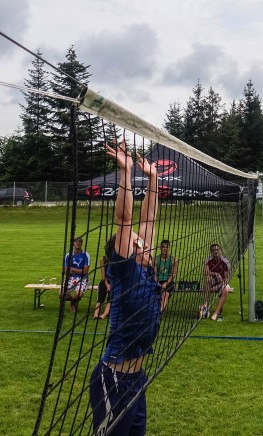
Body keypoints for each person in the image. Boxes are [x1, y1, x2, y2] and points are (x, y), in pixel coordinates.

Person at [89, 140, 161, 435]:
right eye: (136, 241)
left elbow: (149, 218)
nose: (142, 242)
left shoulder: (145, 268)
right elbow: (125, 219)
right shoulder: (125, 270)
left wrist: (153, 179)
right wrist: (126, 173)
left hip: (137, 378)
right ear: (125, 252)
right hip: (114, 380)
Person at [202, 243, 232, 322]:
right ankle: (205, 304)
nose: (215, 252)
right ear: (211, 252)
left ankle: (216, 313)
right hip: (213, 280)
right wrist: (215, 274)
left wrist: (217, 286)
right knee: (208, 278)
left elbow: (226, 280)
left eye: (217, 250)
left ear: (220, 250)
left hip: (223, 282)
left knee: (226, 289)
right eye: (213, 250)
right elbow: (205, 272)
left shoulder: (226, 262)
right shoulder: (208, 260)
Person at [61, 237, 91, 313]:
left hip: (82, 278)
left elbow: (85, 271)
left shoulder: (86, 255)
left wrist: (72, 269)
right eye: (76, 241)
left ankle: (72, 304)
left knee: (78, 295)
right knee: (61, 294)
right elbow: (66, 271)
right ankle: (73, 301)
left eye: (79, 241)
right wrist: (79, 271)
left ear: (82, 243)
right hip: (70, 278)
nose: (78, 243)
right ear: (73, 243)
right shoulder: (68, 255)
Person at [155, 240, 178, 312]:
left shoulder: (174, 260)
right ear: (160, 248)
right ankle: (162, 308)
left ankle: (159, 312)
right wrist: (158, 283)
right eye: (163, 247)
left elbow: (173, 275)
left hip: (169, 282)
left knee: (165, 294)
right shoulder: (156, 259)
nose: (165, 249)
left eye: (167, 247)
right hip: (158, 281)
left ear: (169, 248)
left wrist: (166, 283)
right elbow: (154, 274)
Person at [94, 254, 111, 319]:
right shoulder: (103, 259)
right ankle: (96, 314)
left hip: (115, 282)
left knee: (110, 298)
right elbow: (103, 275)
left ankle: (104, 314)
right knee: (100, 298)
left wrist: (111, 286)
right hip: (105, 280)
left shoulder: (118, 259)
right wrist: (107, 285)